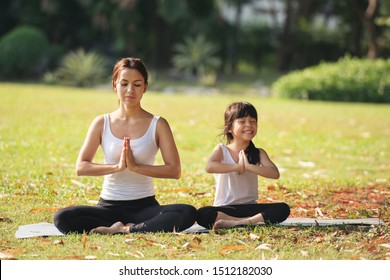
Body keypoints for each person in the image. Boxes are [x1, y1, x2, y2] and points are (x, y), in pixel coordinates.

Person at [53, 57, 197, 234]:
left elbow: (174, 170)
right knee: (62, 218)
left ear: (145, 87)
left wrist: (136, 167)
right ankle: (123, 227)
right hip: (108, 208)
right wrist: (117, 167)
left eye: (137, 84)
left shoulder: (158, 124)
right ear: (115, 85)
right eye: (124, 84)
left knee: (186, 212)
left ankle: (126, 229)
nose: (130, 90)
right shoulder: (102, 123)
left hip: (145, 208)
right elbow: (81, 167)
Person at [197, 102, 290, 230]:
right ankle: (245, 222)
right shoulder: (222, 150)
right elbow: (210, 167)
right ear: (229, 127)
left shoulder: (258, 152)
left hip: (250, 207)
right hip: (226, 208)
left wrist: (249, 167)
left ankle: (239, 223)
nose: (248, 125)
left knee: (282, 208)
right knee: (203, 213)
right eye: (242, 121)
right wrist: (237, 167)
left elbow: (274, 173)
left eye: (253, 121)